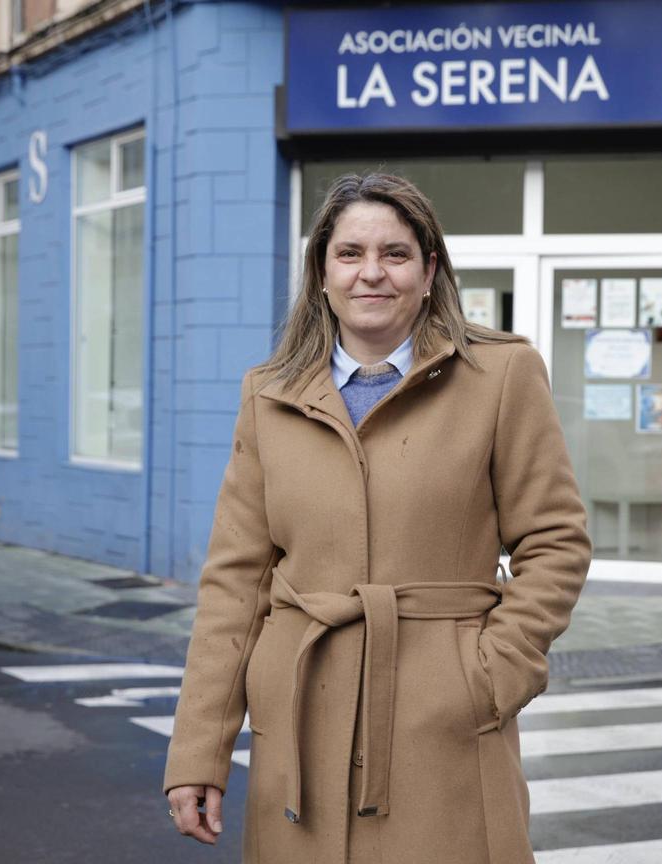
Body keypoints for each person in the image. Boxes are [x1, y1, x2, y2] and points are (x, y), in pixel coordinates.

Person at [163, 173, 591, 863]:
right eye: (350, 253)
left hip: (443, 723)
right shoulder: (267, 396)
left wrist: (488, 675)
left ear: (428, 271)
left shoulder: (502, 376)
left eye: (395, 254)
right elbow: (235, 586)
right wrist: (199, 751)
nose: (372, 273)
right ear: (321, 273)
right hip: (300, 724)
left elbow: (556, 541)